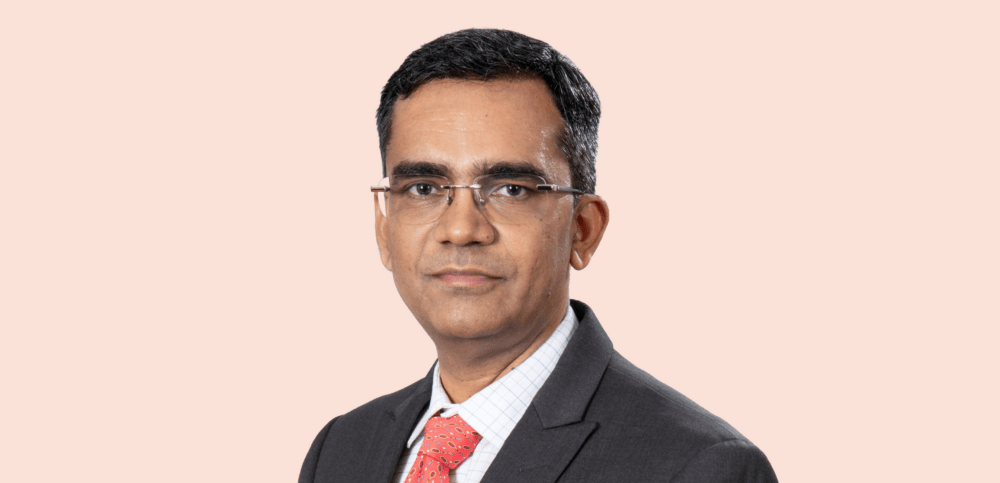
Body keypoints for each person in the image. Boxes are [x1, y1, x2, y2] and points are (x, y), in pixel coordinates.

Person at [299, 29, 778, 483]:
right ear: (384, 228)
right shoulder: (341, 449)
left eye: (511, 189)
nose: (461, 230)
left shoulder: (698, 466)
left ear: (583, 230)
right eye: (423, 188)